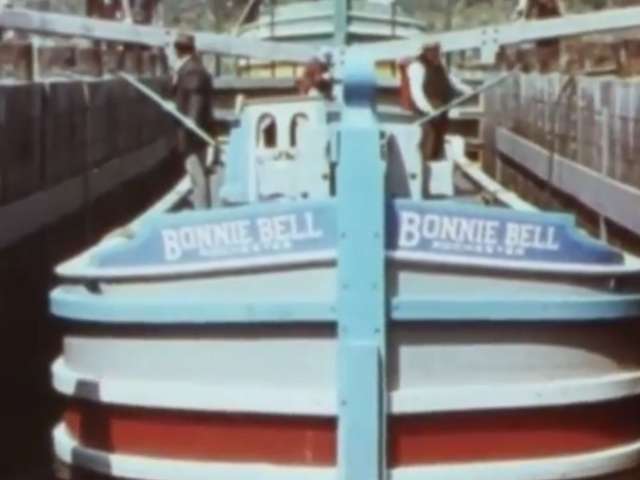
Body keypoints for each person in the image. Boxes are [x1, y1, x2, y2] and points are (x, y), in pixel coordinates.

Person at [400, 42, 473, 162]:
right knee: (427, 143)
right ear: (425, 51)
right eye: (433, 51)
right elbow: (417, 93)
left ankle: (435, 169)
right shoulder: (417, 67)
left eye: (437, 51)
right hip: (424, 115)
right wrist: (429, 110)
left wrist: (468, 90)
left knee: (438, 143)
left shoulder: (440, 65)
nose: (436, 54)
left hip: (441, 112)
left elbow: (452, 81)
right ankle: (423, 170)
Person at [172, 33, 214, 209]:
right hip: (193, 132)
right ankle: (201, 208)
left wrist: (191, 126)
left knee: (196, 174)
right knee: (195, 173)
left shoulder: (192, 71)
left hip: (192, 134)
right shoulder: (190, 68)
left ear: (178, 50)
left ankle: (202, 212)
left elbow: (196, 101)